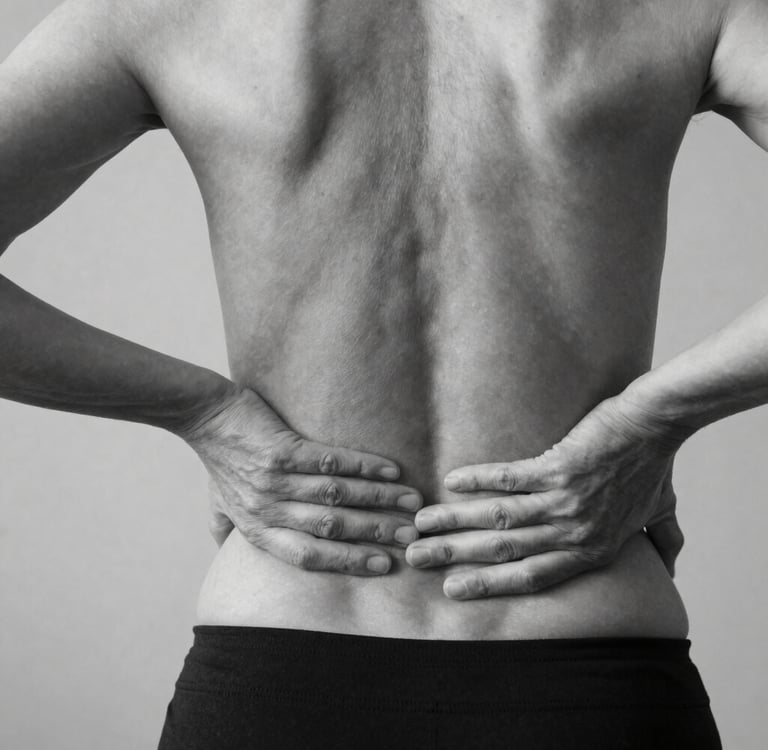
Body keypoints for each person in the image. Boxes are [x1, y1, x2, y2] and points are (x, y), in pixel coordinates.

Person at [4, 0, 768, 747]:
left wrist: (203, 413)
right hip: (591, 659)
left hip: (287, 667)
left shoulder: (167, 12)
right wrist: (656, 417)